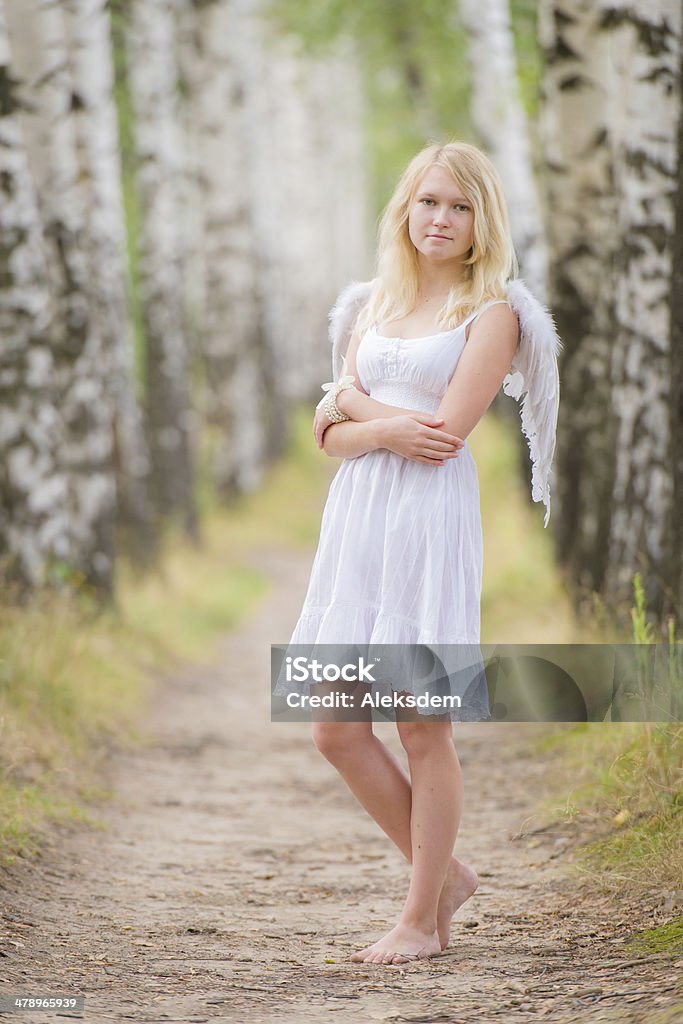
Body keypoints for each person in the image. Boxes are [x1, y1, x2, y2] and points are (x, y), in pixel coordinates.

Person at [273, 139, 561, 966]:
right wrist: (371, 420)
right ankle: (449, 877)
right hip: (357, 518)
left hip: (426, 524)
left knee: (420, 724)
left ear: (482, 221)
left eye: (459, 206)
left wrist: (368, 414)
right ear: (406, 208)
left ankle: (418, 919)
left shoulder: (493, 312)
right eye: (429, 201)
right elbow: (323, 435)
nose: (440, 219)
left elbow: (442, 435)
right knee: (333, 727)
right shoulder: (370, 305)